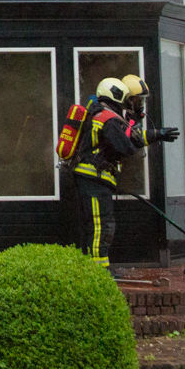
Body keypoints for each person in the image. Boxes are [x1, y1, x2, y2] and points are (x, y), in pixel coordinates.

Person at [67, 77, 138, 270]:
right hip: (95, 181)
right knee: (101, 225)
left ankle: (93, 267)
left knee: (93, 225)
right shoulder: (107, 118)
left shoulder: (96, 114)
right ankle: (99, 271)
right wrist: (134, 135)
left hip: (90, 179)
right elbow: (125, 148)